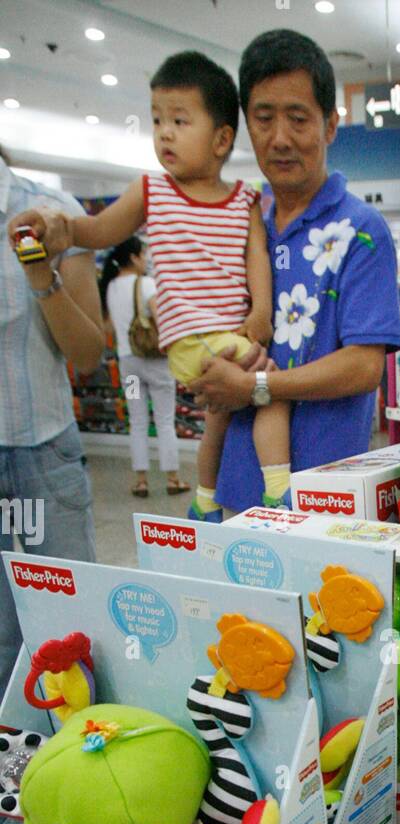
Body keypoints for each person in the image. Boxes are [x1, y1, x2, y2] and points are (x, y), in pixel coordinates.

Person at [9, 50, 290, 525]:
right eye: (157, 119)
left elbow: (255, 255)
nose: (164, 132)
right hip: (192, 338)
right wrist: (60, 226)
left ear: (222, 139)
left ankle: (204, 500)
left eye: (180, 120)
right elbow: (97, 231)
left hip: (230, 333)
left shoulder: (245, 199)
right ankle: (281, 492)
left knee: (220, 416)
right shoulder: (152, 192)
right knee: (271, 389)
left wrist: (260, 309)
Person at [188, 29, 400, 515]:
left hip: (327, 496)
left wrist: (257, 387)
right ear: (246, 123)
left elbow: (365, 367)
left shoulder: (362, 231)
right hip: (237, 491)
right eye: (263, 119)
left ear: (330, 125)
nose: (280, 138)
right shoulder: (242, 233)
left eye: (298, 118)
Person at [0, 147, 102, 701]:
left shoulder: (50, 213)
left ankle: (81, 756)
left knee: (71, 623)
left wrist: (41, 273)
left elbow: (88, 354)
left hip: (45, 449)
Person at [100, 235, 189, 499]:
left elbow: (108, 327)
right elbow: (161, 320)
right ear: (134, 257)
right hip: (155, 363)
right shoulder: (148, 284)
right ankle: (172, 478)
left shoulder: (111, 287)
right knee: (164, 420)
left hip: (128, 363)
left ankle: (141, 481)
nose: (147, 259)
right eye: (144, 254)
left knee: (137, 421)